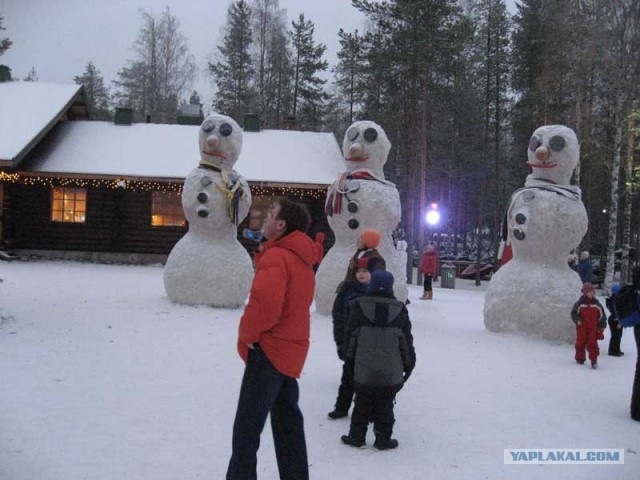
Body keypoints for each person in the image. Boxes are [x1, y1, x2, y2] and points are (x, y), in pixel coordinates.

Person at [226, 198, 323, 480]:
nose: (266, 218)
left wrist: (247, 336)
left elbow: (266, 305)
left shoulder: (277, 257)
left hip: (268, 351)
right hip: (290, 352)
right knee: (288, 425)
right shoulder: (298, 257)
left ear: (281, 225)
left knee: (246, 431)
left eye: (271, 214)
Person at [341, 270, 416, 450]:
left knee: (361, 404)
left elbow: (350, 337)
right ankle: (383, 440)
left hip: (363, 369)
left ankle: (356, 437)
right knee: (386, 405)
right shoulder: (400, 310)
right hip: (391, 371)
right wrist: (409, 364)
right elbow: (406, 341)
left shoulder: (358, 307)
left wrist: (349, 361)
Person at [327, 257, 374, 420]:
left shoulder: (377, 291)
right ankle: (341, 407)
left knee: (368, 379)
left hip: (369, 343)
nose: (361, 274)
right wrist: (340, 341)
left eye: (365, 271)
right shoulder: (347, 289)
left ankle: (367, 410)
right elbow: (338, 316)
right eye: (358, 271)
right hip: (350, 340)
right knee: (348, 376)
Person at [571, 282, 607, 369]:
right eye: (589, 292)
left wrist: (602, 325)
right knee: (580, 344)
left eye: (593, 292)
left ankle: (594, 361)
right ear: (585, 293)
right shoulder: (579, 304)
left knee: (593, 344)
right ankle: (580, 359)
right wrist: (577, 320)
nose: (592, 294)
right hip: (582, 328)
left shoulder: (597, 305)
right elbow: (574, 313)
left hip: (593, 329)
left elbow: (603, 316)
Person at [605, 283, 624, 357]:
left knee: (616, 335)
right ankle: (613, 351)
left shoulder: (612, 299)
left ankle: (616, 349)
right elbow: (617, 311)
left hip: (614, 319)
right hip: (616, 320)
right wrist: (619, 321)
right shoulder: (616, 300)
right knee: (616, 335)